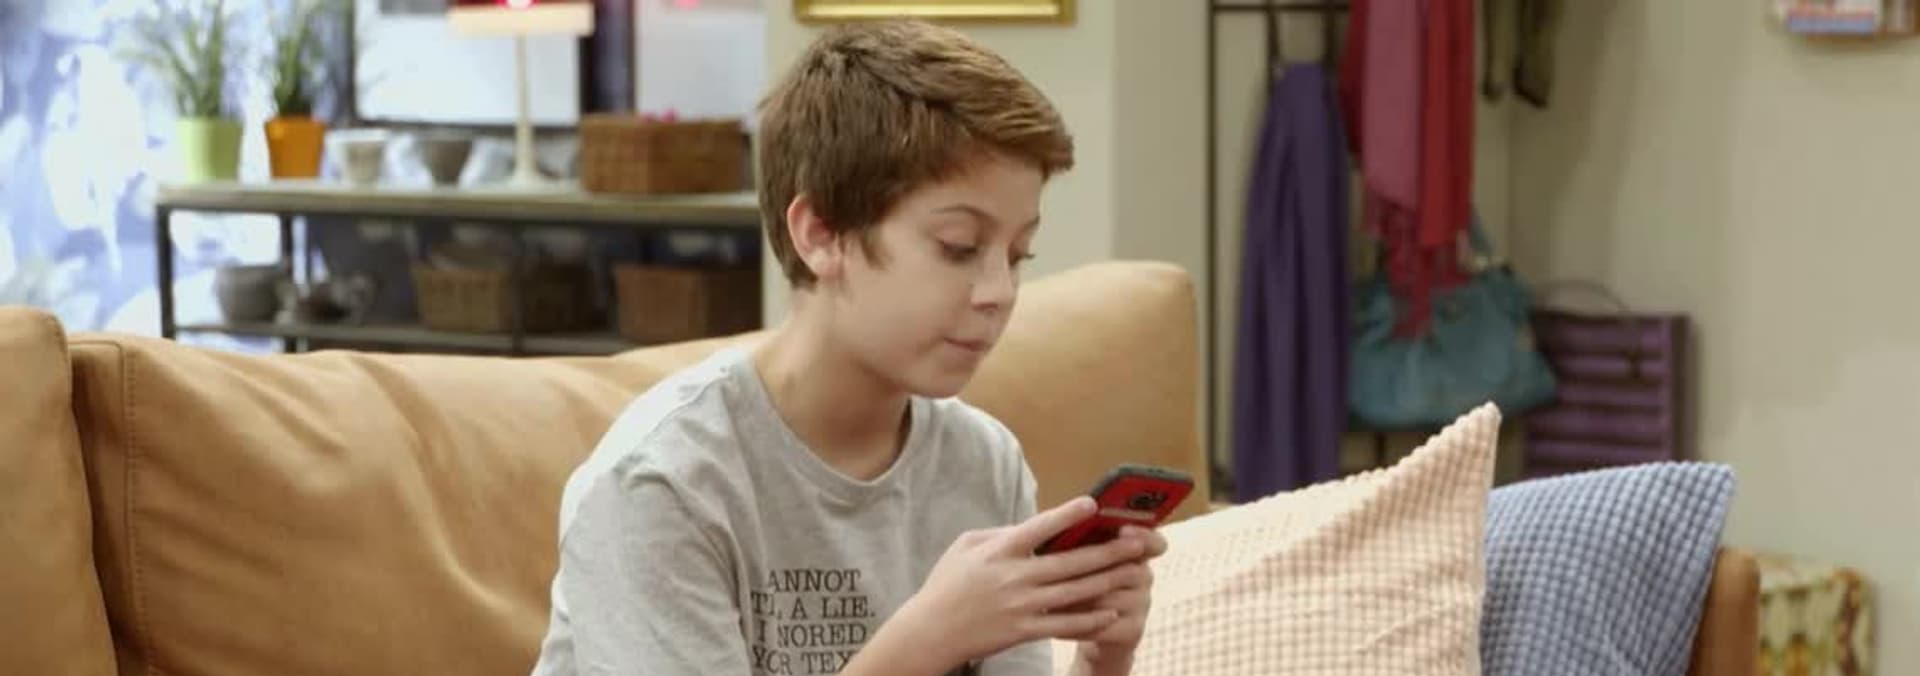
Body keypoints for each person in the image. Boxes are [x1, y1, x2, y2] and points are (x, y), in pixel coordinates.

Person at [527, 17, 1166, 676]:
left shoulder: (985, 464)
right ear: (820, 235)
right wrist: (927, 638)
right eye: (959, 247)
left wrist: (1103, 659)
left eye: (1017, 254)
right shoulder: (663, 484)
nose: (999, 292)